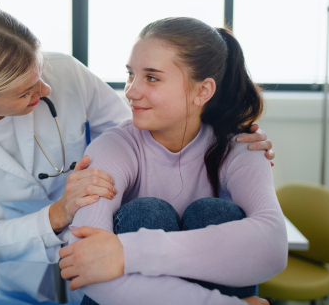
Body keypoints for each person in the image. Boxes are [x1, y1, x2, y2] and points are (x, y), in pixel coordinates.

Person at [0, 4, 275, 303]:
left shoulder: (67, 74)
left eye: (39, 72)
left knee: (207, 213)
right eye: (25, 91)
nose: (47, 87)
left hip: (110, 225)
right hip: (30, 246)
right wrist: (60, 212)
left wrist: (228, 132)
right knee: (143, 215)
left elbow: (136, 135)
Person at [59, 17, 287, 305]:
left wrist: (128, 252)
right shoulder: (114, 147)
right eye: (131, 74)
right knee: (147, 213)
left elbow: (274, 246)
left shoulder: (240, 147)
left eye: (152, 77)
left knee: (213, 214)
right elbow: (84, 261)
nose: (130, 91)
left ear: (202, 91)